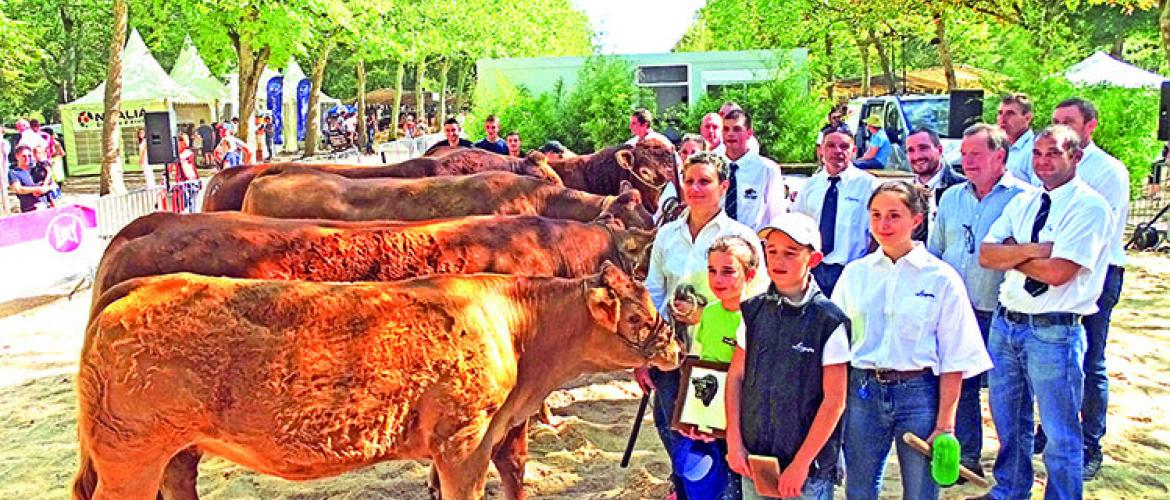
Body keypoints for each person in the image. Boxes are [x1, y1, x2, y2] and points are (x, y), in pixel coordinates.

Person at [975, 125, 1112, 500]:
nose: (1043, 161)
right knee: (1008, 421)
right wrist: (1038, 249)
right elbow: (987, 255)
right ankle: (1010, 491)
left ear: (1076, 156)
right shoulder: (1024, 201)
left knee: (1059, 431)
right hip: (1008, 324)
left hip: (1055, 331)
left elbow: (1058, 273)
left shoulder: (1090, 208)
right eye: (1037, 153)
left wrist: (1015, 251)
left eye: (1053, 153)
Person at [834, 180, 992, 500]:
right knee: (859, 488)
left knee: (921, 491)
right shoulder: (855, 274)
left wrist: (946, 422)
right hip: (863, 391)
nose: (883, 224)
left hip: (918, 395)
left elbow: (955, 356)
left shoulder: (942, 278)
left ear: (916, 221)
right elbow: (835, 344)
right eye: (876, 215)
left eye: (894, 215)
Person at [637, 152, 767, 500]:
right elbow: (653, 292)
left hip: (721, 358)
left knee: (722, 438)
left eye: (705, 181)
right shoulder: (666, 235)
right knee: (675, 433)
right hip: (671, 354)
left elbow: (758, 304)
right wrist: (642, 355)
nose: (695, 188)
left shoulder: (742, 238)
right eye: (690, 181)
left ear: (723, 186)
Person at [928, 123, 1032, 477]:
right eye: (965, 154)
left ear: (999, 155)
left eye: (976, 154)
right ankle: (966, 456)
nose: (967, 161)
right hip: (957, 309)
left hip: (1002, 309)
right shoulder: (952, 196)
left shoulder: (1024, 198)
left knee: (1008, 394)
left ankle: (1013, 469)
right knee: (962, 386)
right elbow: (937, 250)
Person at [725, 213, 850, 500]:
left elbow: (834, 401)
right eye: (772, 251)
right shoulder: (752, 312)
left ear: (814, 259)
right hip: (756, 458)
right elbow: (736, 377)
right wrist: (734, 441)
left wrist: (802, 463)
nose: (778, 260)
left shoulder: (828, 321)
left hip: (808, 468)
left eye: (791, 253)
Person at [1038, 97, 1129, 480]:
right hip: (1048, 267)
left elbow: (1080, 233)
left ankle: (1090, 443)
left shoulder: (1107, 171)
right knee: (1051, 357)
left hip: (1098, 273)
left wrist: (1035, 251)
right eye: (1057, 120)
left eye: (1070, 121)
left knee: (1091, 361)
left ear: (1090, 126)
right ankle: (1050, 431)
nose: (1062, 126)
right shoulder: (1048, 163)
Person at [677, 235, 761, 500]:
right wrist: (690, 415)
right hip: (708, 413)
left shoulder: (756, 316)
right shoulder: (710, 312)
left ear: (749, 275)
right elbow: (700, 363)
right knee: (702, 478)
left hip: (741, 417)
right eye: (712, 271)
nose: (718, 279)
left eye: (728, 272)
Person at [791, 131, 876, 297]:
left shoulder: (869, 186)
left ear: (854, 151)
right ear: (821, 150)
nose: (837, 151)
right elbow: (797, 226)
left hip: (850, 270)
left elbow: (877, 233)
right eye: (830, 145)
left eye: (844, 146)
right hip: (813, 269)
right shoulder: (810, 186)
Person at [720, 109, 787, 231]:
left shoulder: (767, 169)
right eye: (726, 129)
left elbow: (776, 213)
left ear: (749, 133)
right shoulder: (714, 166)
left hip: (752, 241)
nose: (730, 134)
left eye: (737, 129)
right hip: (716, 241)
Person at [906, 127, 966, 242]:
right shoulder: (904, 193)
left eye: (923, 148)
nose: (917, 156)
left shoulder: (964, 189)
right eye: (911, 150)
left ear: (939, 150)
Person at [999, 93, 1037, 186]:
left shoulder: (1035, 150)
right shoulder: (997, 146)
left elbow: (1039, 191)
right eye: (1000, 113)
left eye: (1010, 113)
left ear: (1027, 117)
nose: (1002, 119)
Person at [7, 145, 56, 212]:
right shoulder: (14, 173)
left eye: (29, 156)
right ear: (17, 157)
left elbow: (51, 184)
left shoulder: (37, 169)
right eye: (24, 156)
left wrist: (47, 188)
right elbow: (18, 189)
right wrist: (38, 189)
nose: (27, 158)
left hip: (47, 206)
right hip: (30, 209)